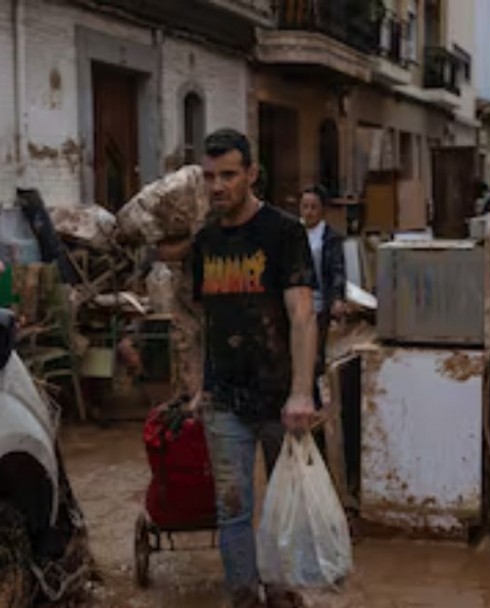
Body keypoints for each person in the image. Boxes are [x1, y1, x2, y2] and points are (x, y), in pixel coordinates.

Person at [191, 129, 318, 608]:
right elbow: (205, 319)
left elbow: (302, 314)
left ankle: (284, 593)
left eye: (228, 175)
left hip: (281, 394)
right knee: (233, 509)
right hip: (225, 397)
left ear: (251, 174)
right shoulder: (205, 240)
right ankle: (243, 596)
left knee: (287, 506)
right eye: (209, 177)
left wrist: (302, 392)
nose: (217, 186)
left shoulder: (283, 233)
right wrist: (198, 385)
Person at [298, 185, 346, 406]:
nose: (308, 212)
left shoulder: (330, 238)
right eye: (305, 207)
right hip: (297, 302)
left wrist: (337, 298)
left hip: (319, 303)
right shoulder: (293, 233)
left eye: (313, 207)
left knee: (315, 355)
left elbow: (337, 270)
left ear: (322, 210)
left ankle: (315, 402)